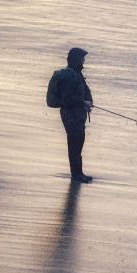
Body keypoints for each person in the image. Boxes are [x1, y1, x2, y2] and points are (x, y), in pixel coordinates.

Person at [47, 47, 93, 183]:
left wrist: (87, 103)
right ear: (76, 59)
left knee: (77, 145)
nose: (84, 61)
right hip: (71, 116)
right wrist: (83, 102)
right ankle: (76, 175)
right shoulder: (70, 76)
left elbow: (81, 93)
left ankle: (78, 173)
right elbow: (67, 99)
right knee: (75, 145)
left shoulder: (76, 73)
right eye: (82, 58)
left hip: (77, 116)